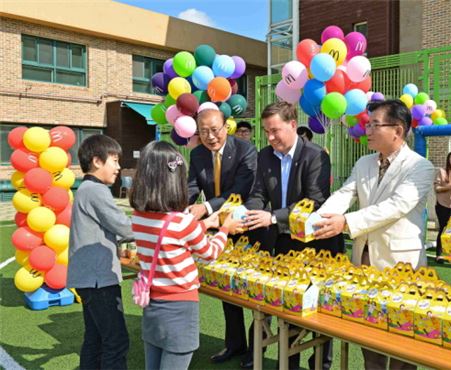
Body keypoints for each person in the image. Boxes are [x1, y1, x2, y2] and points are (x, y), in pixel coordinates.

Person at [314, 99, 434, 370]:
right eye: (367, 124)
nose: (367, 130)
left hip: (401, 267)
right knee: (369, 337)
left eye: (375, 125)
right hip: (364, 262)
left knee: (402, 341)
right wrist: (316, 219)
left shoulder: (420, 167)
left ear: (398, 131)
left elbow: (394, 207)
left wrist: (345, 222)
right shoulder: (365, 162)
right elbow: (345, 193)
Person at [243, 101, 344, 370]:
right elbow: (257, 194)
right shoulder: (264, 155)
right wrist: (249, 213)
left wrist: (273, 216)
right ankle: (288, 363)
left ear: (292, 125)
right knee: (288, 306)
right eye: (266, 131)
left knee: (317, 312)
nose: (271, 137)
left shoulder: (315, 155)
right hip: (284, 243)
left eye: (275, 130)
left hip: (317, 244)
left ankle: (320, 365)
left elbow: (314, 200)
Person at [130, 141, 242, 370]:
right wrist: (224, 230)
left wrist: (203, 224)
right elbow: (209, 253)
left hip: (152, 304)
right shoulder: (183, 222)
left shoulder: (138, 216)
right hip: (180, 307)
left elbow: (169, 238)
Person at [187, 109, 258, 363]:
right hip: (218, 229)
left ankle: (255, 350)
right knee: (227, 288)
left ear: (225, 126)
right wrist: (182, 209)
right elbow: (192, 187)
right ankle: (235, 344)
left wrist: (205, 208)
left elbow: (239, 190)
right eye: (203, 131)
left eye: (214, 130)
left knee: (252, 290)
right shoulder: (197, 154)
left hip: (246, 227)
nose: (210, 136)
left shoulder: (245, 150)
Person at [67, 134, 134, 370]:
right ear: (97, 161)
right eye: (114, 161)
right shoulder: (96, 190)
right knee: (116, 341)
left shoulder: (85, 188)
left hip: (88, 278)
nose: (118, 167)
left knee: (95, 339)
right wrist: (156, 226)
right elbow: (122, 226)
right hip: (98, 280)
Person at [434, 150, 451, 262]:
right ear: (448, 159)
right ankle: (439, 254)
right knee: (443, 228)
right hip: (442, 205)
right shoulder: (442, 172)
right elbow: (437, 189)